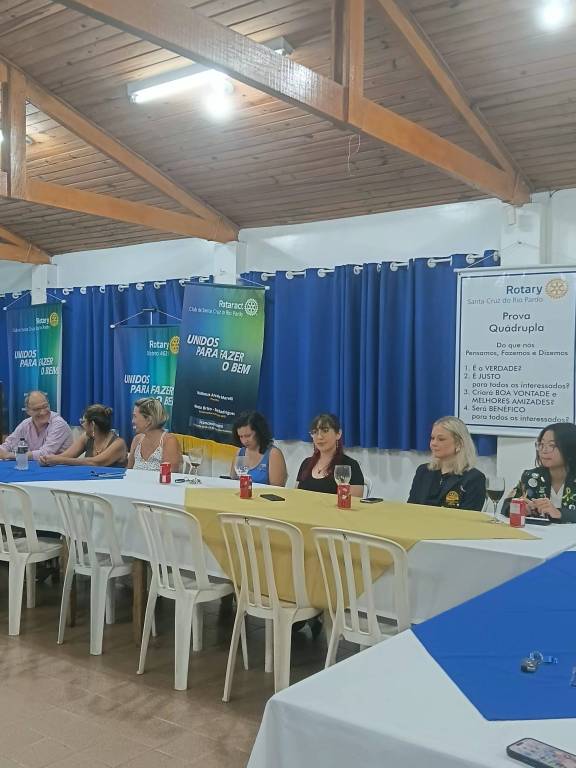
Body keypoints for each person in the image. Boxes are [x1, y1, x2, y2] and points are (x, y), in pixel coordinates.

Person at [502, 423, 576, 523]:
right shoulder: (532, 477)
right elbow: (506, 507)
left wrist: (560, 513)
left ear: (570, 448)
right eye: (541, 444)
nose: (544, 450)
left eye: (551, 445)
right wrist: (521, 509)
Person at [408, 416, 486, 511]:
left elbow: (469, 517)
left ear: (459, 443)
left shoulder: (474, 478)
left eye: (441, 439)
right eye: (432, 438)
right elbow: (410, 509)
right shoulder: (423, 471)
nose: (433, 443)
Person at [297, 413, 364, 496]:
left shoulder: (349, 466)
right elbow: (296, 496)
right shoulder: (306, 463)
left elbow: (354, 500)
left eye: (325, 431)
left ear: (338, 434)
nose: (319, 437)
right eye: (315, 432)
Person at [39, 404, 127, 468]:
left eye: (83, 422)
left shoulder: (118, 444)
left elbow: (95, 463)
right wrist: (48, 459)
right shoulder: (86, 437)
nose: (82, 425)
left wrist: (59, 461)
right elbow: (66, 456)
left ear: (92, 425)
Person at [0, 391, 72, 461]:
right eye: (37, 409)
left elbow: (46, 453)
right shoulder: (25, 424)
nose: (43, 412)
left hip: (60, 467)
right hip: (35, 466)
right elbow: (8, 444)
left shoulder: (59, 424)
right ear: (28, 411)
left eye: (45, 406)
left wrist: (9, 455)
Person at [230, 411, 287, 486]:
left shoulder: (273, 454)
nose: (244, 441)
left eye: (248, 436)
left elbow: (277, 488)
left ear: (259, 432)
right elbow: (233, 481)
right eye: (241, 436)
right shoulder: (240, 453)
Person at [127, 397, 182, 472]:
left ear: (148, 420)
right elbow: (128, 472)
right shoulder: (137, 439)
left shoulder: (169, 441)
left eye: (135, 416)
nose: (133, 421)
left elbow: (169, 475)